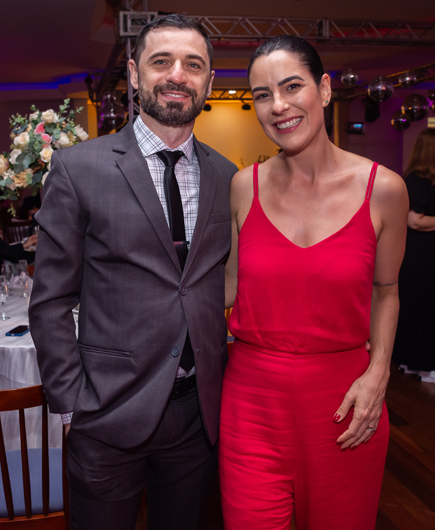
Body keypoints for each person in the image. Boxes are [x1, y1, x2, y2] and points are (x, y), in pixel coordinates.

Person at [29, 14, 237, 530]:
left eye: (193, 65)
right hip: (106, 415)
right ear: (133, 73)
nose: (177, 75)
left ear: (209, 81)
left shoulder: (227, 175)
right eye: (161, 61)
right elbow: (51, 301)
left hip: (198, 419)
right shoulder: (78, 168)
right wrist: (73, 405)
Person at [220, 35, 408, 530]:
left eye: (291, 87)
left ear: (324, 89)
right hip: (251, 407)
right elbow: (226, 288)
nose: (278, 106)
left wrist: (379, 372)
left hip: (345, 405)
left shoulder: (384, 190)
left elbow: (386, 290)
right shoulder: (244, 187)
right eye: (263, 95)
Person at [393, 128, 435, 383]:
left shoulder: (423, 180)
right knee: (423, 308)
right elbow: (415, 220)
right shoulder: (416, 181)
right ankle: (422, 366)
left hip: (423, 255)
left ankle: (411, 362)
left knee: (420, 308)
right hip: (421, 257)